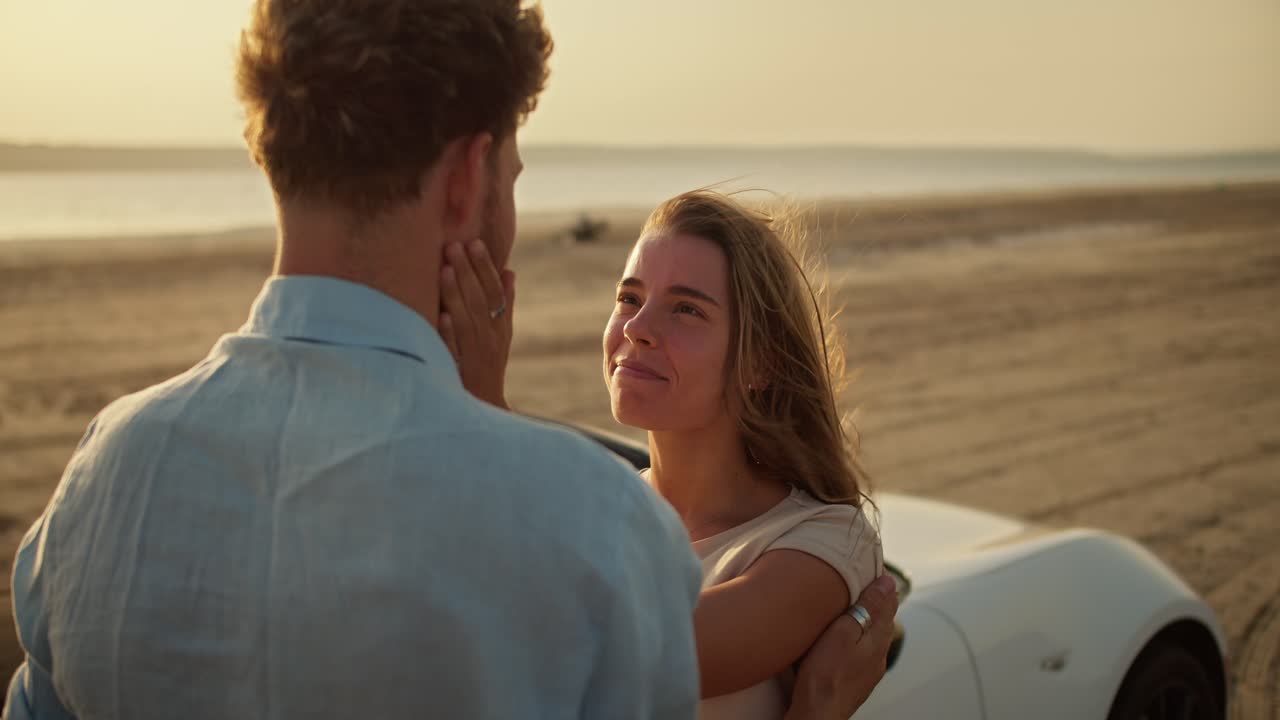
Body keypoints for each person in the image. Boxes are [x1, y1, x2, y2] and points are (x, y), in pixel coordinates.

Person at [5, 2, 896, 719]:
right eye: (511, 177)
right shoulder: (592, 532)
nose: (640, 326)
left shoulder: (104, 472)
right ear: (469, 178)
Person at [441, 190, 885, 719]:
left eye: (686, 309)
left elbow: (639, 654)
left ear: (759, 361)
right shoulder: (597, 506)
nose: (636, 327)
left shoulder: (824, 541)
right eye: (630, 298)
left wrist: (484, 409)